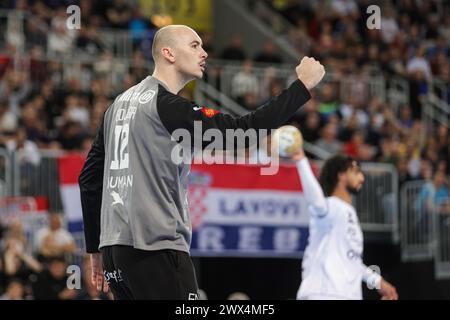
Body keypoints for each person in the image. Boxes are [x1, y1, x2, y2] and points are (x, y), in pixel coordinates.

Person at [78, 24, 325, 300]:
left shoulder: (116, 107)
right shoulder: (166, 105)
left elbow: (88, 180)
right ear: (168, 53)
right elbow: (241, 133)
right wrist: (301, 87)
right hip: (156, 249)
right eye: (194, 45)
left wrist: (95, 248)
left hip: (116, 253)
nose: (204, 53)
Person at [293, 148, 398, 300]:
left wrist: (378, 282)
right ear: (341, 175)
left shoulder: (348, 213)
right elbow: (315, 202)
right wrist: (301, 161)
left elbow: (352, 261)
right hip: (323, 293)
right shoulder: (329, 207)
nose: (362, 177)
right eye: (356, 172)